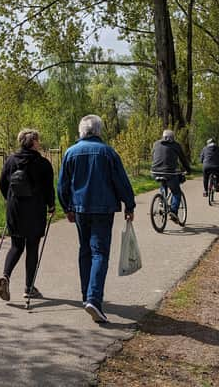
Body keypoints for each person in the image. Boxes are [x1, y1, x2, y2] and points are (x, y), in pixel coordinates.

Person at [57, 115, 135, 324]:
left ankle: (86, 296)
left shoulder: (70, 153)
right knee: (99, 252)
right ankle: (93, 298)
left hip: (80, 209)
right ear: (99, 131)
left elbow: (62, 184)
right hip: (103, 208)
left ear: (81, 131)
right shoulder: (107, 152)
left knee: (85, 250)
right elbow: (121, 181)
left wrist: (67, 208)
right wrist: (129, 204)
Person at [0, 128, 56, 302]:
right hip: (35, 210)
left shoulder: (10, 161)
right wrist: (51, 206)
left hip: (15, 209)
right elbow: (48, 189)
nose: (40, 142)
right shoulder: (43, 164)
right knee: (32, 248)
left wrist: (10, 200)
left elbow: (2, 184)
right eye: (38, 140)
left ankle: (6, 276)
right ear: (33, 142)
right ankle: (29, 288)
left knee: (16, 246)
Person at [151, 129, 191, 224]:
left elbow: (153, 155)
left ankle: (161, 200)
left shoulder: (156, 144)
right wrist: (188, 170)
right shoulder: (176, 145)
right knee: (176, 192)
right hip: (170, 173)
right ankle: (173, 211)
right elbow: (183, 159)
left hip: (155, 171)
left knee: (163, 182)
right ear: (173, 138)